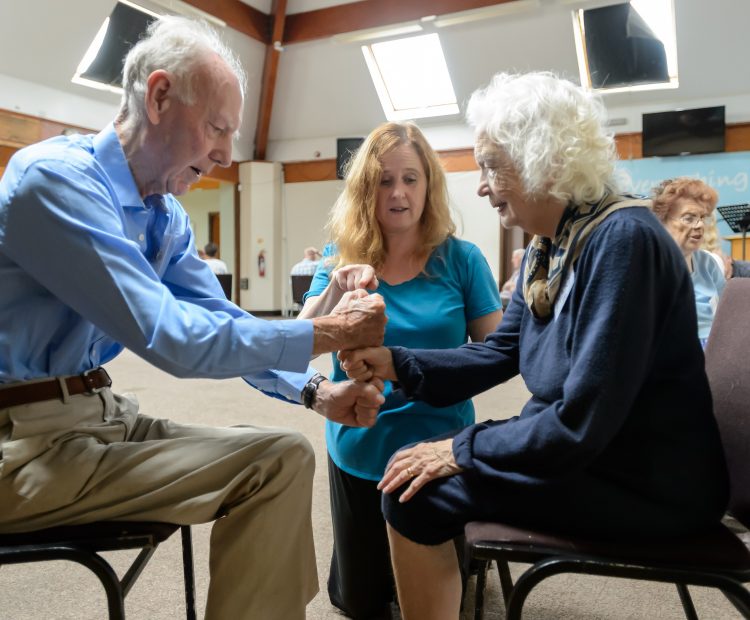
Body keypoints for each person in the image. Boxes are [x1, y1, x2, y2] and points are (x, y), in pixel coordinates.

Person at [0, 16, 388, 620]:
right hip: (21, 447)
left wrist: (315, 392)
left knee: (284, 457)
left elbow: (221, 319)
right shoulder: (55, 182)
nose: (226, 155)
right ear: (158, 97)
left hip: (101, 420)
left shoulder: (163, 215)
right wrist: (328, 333)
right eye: (217, 128)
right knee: (274, 463)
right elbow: (173, 340)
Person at [339, 72, 729, 620]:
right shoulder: (552, 246)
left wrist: (461, 447)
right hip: (598, 457)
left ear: (541, 158)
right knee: (417, 472)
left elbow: (579, 423)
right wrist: (395, 364)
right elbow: (499, 352)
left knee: (415, 493)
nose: (481, 185)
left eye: (490, 165)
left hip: (645, 482)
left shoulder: (623, 241)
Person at [298, 121, 503, 619]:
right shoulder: (339, 259)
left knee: (443, 599)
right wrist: (335, 291)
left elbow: (498, 354)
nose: (398, 192)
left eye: (410, 179)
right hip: (360, 446)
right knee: (360, 602)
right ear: (366, 189)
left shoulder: (463, 260)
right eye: (383, 180)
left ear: (429, 185)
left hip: (437, 447)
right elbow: (291, 347)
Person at [652, 177, 726, 346]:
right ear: (662, 221)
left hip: (715, 346)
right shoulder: (652, 265)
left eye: (702, 217)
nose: (699, 225)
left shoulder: (708, 263)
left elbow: (727, 313)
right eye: (689, 218)